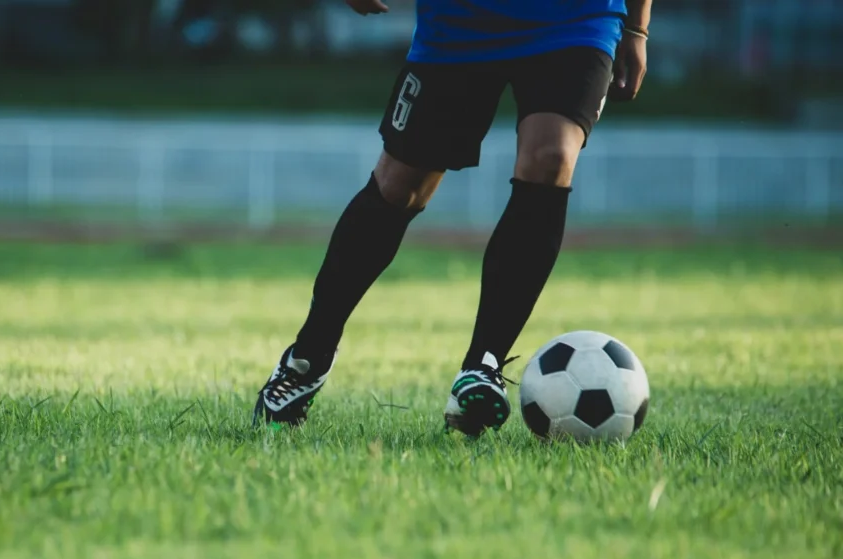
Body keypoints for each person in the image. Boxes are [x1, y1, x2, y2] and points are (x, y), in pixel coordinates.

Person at [253, 0, 651, 435]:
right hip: (462, 18)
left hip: (577, 17)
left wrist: (638, 28)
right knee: (400, 186)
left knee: (551, 157)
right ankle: (308, 357)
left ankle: (482, 366)